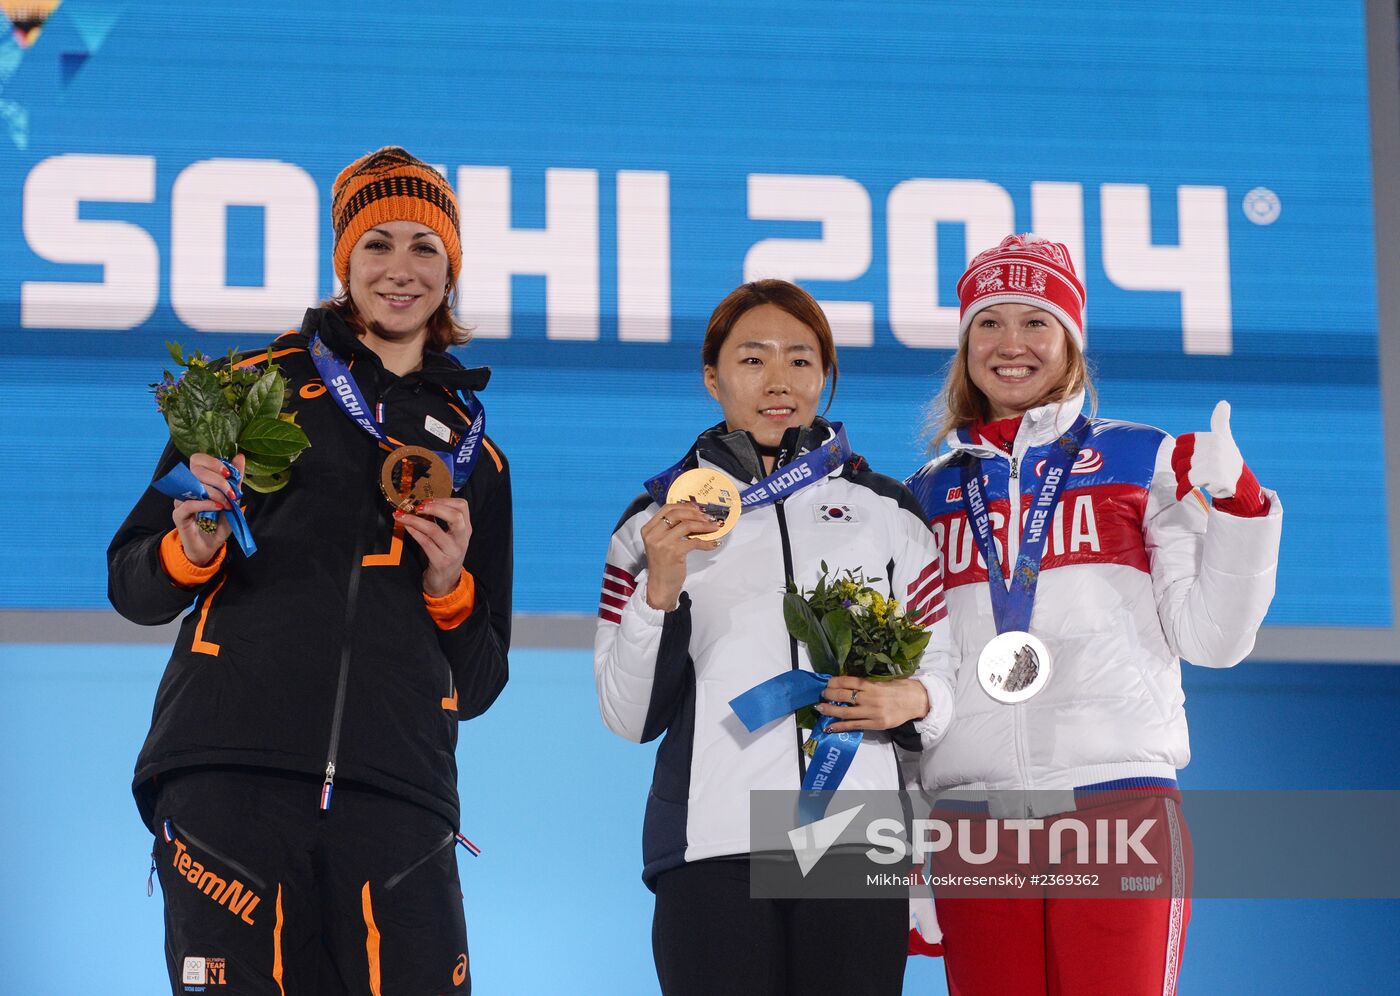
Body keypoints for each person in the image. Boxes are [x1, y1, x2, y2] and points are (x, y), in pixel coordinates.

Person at [108, 147, 510, 995]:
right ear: (343, 262)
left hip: (398, 793)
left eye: (424, 248)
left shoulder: (480, 457)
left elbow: (477, 682)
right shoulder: (242, 392)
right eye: (378, 244)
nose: (400, 271)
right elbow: (133, 582)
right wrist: (193, 548)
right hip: (232, 771)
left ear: (452, 270)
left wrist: (450, 589)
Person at [904, 234, 1282, 995]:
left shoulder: (1144, 462)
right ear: (965, 343)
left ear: (1071, 340)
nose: (1011, 344)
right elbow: (920, 680)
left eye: (1035, 321)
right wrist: (912, 845)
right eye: (989, 322)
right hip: (974, 821)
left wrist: (1239, 504)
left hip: (1116, 805)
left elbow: (1214, 638)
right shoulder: (924, 497)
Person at [594, 278, 956, 995]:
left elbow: (943, 667)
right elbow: (627, 716)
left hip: (853, 839)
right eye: (752, 359)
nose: (778, 381)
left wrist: (912, 699)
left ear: (825, 376)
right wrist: (659, 588)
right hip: (713, 842)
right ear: (712, 376)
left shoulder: (887, 509)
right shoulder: (651, 522)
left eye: (800, 359)